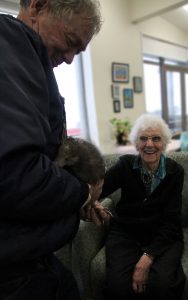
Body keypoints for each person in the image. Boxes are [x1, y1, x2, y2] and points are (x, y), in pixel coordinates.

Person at [0, 1, 109, 299]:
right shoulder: (9, 41)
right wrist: (83, 193)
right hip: (15, 274)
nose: (71, 59)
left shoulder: (29, 60)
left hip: (33, 260)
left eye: (79, 52)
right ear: (38, 6)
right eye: (71, 43)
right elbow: (17, 174)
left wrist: (72, 201)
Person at [100, 114, 186, 300]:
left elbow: (172, 221)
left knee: (161, 285)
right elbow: (98, 189)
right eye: (143, 138)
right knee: (117, 288)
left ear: (164, 143)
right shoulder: (125, 165)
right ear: (136, 143)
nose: (149, 144)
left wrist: (147, 258)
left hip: (163, 234)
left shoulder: (175, 172)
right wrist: (93, 203)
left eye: (156, 138)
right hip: (126, 232)